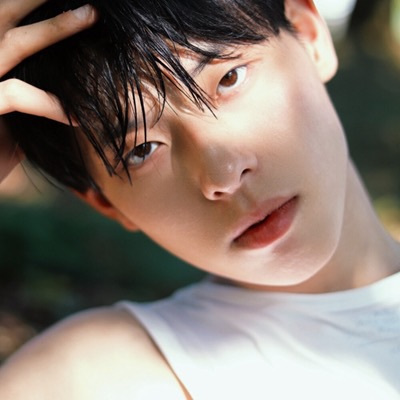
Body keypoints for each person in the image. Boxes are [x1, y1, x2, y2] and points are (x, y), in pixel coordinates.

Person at [0, 0, 399, 398]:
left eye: (229, 78)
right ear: (105, 202)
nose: (224, 174)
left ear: (309, 35)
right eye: (141, 150)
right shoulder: (93, 378)